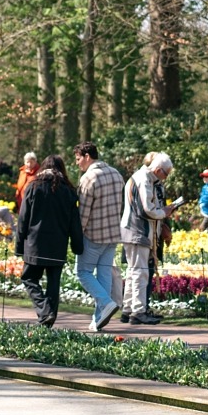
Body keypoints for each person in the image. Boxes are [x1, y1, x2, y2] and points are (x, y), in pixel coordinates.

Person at [16, 155, 85, 328]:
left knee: (29, 277)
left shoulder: (34, 186)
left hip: (35, 243)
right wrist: (78, 245)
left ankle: (45, 313)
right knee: (53, 283)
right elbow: (74, 223)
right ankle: (47, 318)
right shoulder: (69, 191)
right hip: (58, 245)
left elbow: (23, 219)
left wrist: (19, 245)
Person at [119, 152, 179, 325]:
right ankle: (138, 311)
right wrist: (164, 212)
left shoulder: (141, 177)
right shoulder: (144, 179)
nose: (165, 178)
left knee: (133, 271)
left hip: (132, 229)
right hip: (138, 229)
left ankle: (128, 309)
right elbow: (147, 209)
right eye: (165, 174)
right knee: (140, 272)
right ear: (159, 169)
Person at [74, 142, 123, 332]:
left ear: (87, 156)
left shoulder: (88, 178)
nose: (77, 164)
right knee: (104, 275)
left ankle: (106, 303)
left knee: (83, 273)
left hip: (94, 234)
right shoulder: (116, 173)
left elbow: (83, 213)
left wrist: (77, 235)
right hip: (113, 234)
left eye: (78, 159)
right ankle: (99, 319)